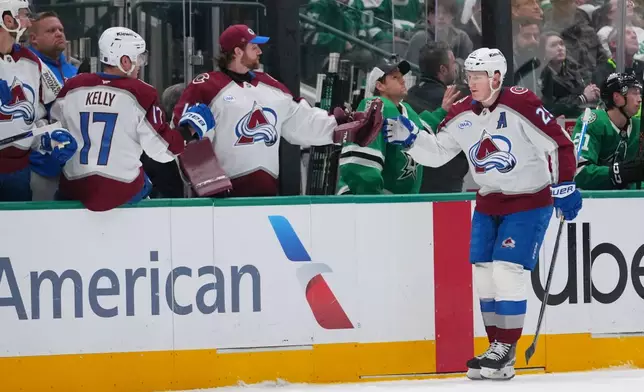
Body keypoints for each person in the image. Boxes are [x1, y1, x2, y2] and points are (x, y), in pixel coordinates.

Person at [383, 47, 582, 380]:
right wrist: (412, 139)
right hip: (488, 202)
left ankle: (505, 348)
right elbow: (438, 153)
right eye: (469, 76)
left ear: (497, 78)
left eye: (478, 76)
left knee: (507, 272)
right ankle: (498, 354)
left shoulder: (521, 103)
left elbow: (560, 143)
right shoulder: (462, 112)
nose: (471, 82)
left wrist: (564, 185)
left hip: (529, 201)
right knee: (485, 276)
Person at [172, 24, 378, 197]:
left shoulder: (271, 87)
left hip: (267, 193)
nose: (260, 51)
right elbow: (184, 137)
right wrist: (208, 182)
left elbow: (302, 121)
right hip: (222, 198)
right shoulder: (207, 86)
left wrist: (343, 128)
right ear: (237, 51)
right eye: (254, 47)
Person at [50, 27, 203, 212]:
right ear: (124, 60)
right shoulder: (141, 93)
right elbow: (161, 151)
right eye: (138, 58)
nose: (140, 64)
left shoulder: (73, 87)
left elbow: (53, 130)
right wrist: (189, 130)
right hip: (122, 190)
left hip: (74, 189)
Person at [337, 56, 458, 195]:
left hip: (398, 203)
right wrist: (374, 197)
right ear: (379, 85)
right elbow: (362, 162)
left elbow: (421, 131)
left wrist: (442, 110)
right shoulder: (375, 104)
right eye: (395, 77)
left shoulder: (406, 109)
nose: (402, 80)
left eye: (402, 76)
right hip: (369, 202)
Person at [0, 0, 75, 201]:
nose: (27, 21)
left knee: (17, 229)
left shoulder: (32, 62)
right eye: (23, 14)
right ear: (7, 19)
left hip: (18, 170)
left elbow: (50, 109)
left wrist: (48, 136)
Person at [572, 72, 643, 190]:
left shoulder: (639, 126)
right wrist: (617, 173)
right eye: (634, 93)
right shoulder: (591, 121)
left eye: (640, 94)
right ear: (617, 97)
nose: (639, 99)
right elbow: (579, 171)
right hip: (593, 202)